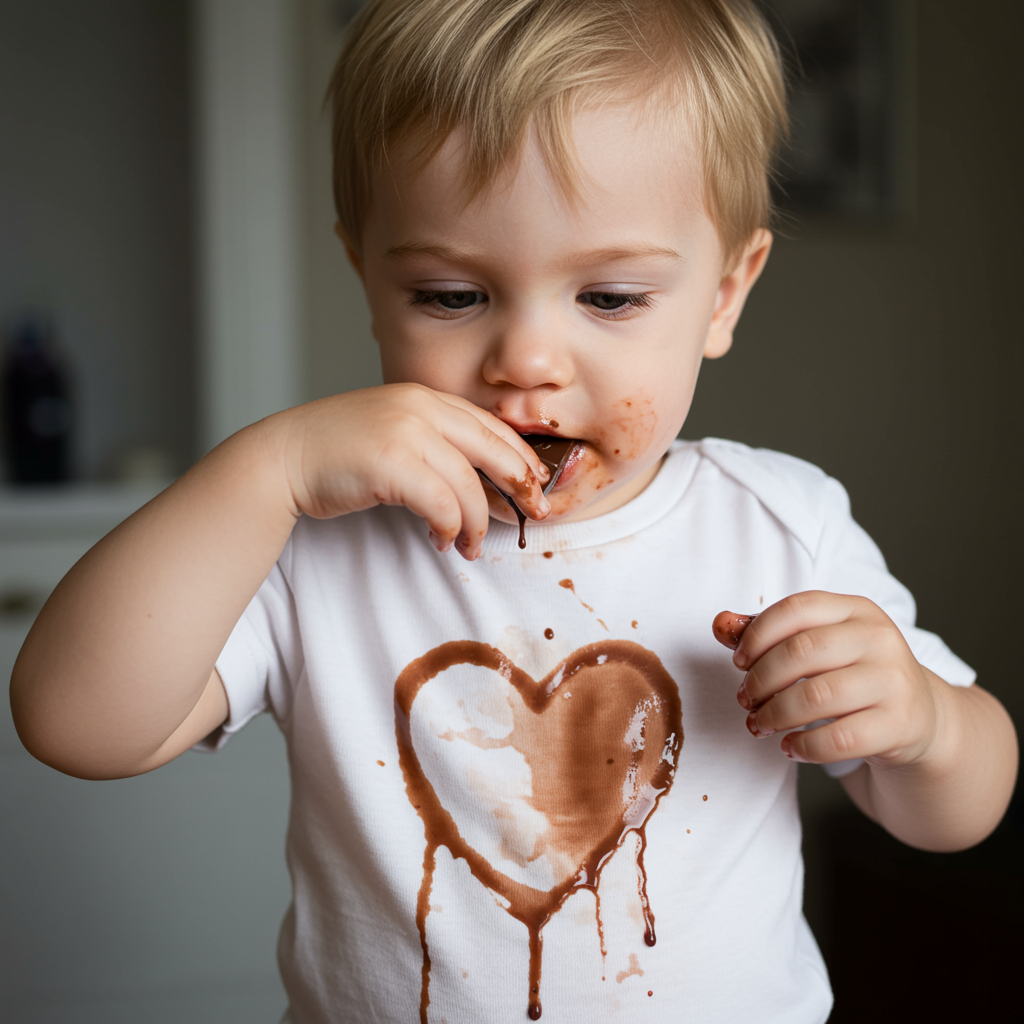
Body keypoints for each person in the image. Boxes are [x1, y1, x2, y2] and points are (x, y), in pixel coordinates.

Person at [10, 1, 1017, 1021]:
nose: (526, 362)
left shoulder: (775, 526)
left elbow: (959, 811)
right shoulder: (312, 543)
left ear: (723, 293)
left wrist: (923, 725)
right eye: (451, 295)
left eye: (611, 298)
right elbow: (72, 722)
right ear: (366, 272)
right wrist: (262, 471)